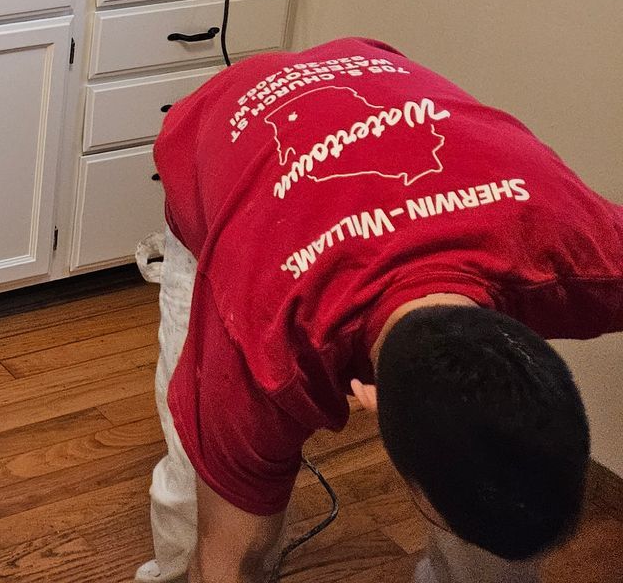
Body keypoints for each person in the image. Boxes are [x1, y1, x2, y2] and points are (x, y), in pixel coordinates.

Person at [138, 37, 623, 583]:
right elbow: (227, 561)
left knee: (494, 521)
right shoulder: (261, 354)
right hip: (223, 122)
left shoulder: (578, 244)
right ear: (372, 399)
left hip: (375, 78)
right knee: (197, 482)